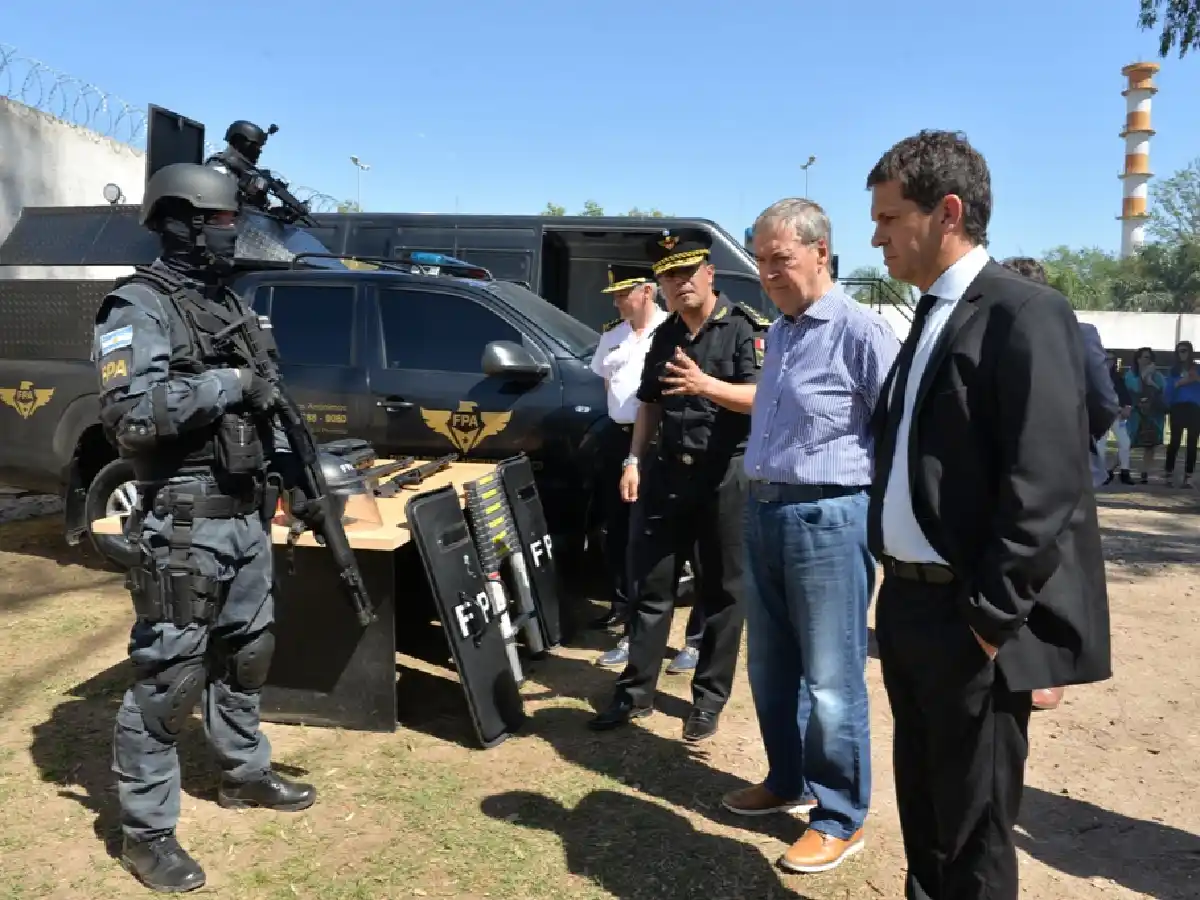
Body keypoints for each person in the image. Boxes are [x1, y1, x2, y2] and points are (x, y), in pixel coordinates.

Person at [865, 130, 1111, 900]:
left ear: (947, 212)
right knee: (926, 814)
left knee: (974, 832)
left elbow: (1046, 480)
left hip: (970, 618)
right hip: (908, 605)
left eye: (888, 218)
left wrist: (990, 616)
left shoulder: (1025, 311)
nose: (875, 236)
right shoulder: (930, 312)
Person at [94, 162, 316, 894]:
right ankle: (147, 834)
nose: (231, 234)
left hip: (245, 511)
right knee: (169, 679)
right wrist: (228, 383)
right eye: (220, 222)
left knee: (248, 655)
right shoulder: (137, 306)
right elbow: (130, 417)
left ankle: (242, 773)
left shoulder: (231, 306)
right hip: (185, 521)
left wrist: (299, 483)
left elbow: (268, 405)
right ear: (181, 222)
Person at [721, 198, 899, 874]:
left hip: (829, 518)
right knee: (770, 666)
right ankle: (787, 780)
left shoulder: (860, 331)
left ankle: (840, 816)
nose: (766, 272)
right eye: (760, 260)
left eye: (780, 259)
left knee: (830, 678)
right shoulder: (784, 330)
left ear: (821, 253)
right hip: (763, 510)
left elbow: (897, 433)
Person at [588, 227, 769, 741]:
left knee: (722, 593)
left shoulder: (744, 328)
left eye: (688, 272)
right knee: (651, 587)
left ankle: (707, 701)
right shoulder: (665, 335)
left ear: (709, 273)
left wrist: (706, 385)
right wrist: (634, 460)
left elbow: (763, 397)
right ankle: (635, 693)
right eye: (669, 276)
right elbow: (649, 402)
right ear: (660, 286)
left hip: (724, 476)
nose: (680, 283)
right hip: (667, 472)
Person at [999, 256, 1119, 713]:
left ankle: (1051, 671)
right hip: (1009, 472)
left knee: (1059, 572)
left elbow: (1103, 401)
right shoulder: (994, 329)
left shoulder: (1079, 333)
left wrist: (1072, 439)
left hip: (1064, 471)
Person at [588, 265, 668, 665]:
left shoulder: (669, 331)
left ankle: (646, 615)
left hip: (656, 441)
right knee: (616, 528)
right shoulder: (611, 335)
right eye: (614, 296)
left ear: (647, 292)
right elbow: (608, 384)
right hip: (618, 436)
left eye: (624, 294)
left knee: (648, 530)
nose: (618, 302)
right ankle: (621, 606)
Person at [1163, 340, 1199, 488]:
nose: (1181, 354)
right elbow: (1168, 390)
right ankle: (1169, 473)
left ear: (1190, 352)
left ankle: (1188, 477)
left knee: (1192, 443)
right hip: (1178, 407)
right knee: (1175, 441)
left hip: (1195, 408)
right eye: (1179, 351)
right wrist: (1180, 383)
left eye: (1184, 351)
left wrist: (1195, 379)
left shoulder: (1197, 368)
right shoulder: (1173, 371)